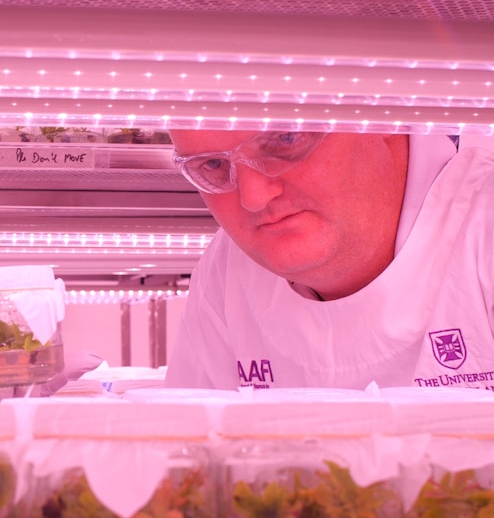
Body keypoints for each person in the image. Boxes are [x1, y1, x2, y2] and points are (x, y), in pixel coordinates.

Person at [165, 130, 494, 392]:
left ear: (385, 116)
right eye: (212, 166)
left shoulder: (484, 223)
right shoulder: (227, 274)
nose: (254, 198)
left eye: (286, 139)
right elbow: (189, 461)